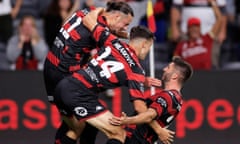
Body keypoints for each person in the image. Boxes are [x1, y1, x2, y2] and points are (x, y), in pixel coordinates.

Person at [52, 8, 174, 144]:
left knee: (80, 129)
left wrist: (101, 10)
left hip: (64, 85)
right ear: (144, 45)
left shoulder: (112, 41)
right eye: (149, 47)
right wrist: (159, 130)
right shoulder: (136, 69)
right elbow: (140, 108)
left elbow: (88, 21)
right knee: (118, 133)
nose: (147, 52)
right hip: (79, 94)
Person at [43, 1, 138, 144]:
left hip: (51, 68)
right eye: (125, 24)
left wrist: (112, 29)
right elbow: (108, 50)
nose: (125, 28)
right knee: (82, 126)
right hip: (65, 78)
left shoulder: (89, 11)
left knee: (79, 125)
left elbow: (90, 23)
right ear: (117, 16)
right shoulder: (97, 29)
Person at [109, 56, 193, 144]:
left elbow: (149, 116)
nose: (164, 69)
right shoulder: (177, 99)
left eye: (168, 68)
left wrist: (126, 120)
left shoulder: (168, 96)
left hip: (135, 140)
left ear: (175, 76)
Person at [173, 0, 222, 70]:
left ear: (200, 29)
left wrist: (213, 3)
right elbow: (174, 62)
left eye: (196, 27)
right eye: (192, 27)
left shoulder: (207, 39)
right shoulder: (181, 45)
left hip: (206, 75)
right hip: (190, 77)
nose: (194, 30)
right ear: (188, 29)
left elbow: (219, 19)